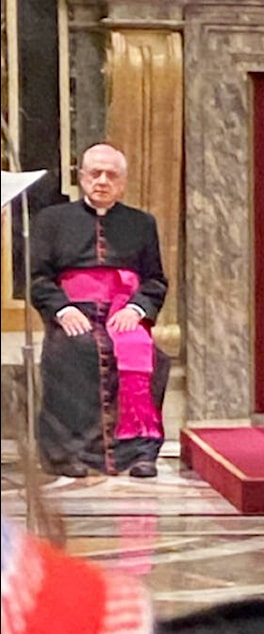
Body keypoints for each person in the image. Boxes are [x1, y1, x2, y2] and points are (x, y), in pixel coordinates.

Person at [30, 143, 170, 478]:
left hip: (122, 312)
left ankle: (138, 452)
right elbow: (37, 279)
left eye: (111, 175)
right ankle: (69, 454)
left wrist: (136, 309)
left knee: (146, 353)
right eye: (95, 173)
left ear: (122, 183)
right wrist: (62, 309)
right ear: (81, 178)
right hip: (74, 310)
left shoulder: (141, 222)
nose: (102, 180)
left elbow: (155, 280)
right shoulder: (51, 221)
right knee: (74, 351)